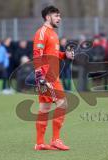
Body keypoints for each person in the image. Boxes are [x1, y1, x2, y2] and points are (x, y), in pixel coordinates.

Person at [33, 6, 74, 151]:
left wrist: (65, 55)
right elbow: (37, 54)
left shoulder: (53, 34)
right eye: (56, 15)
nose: (59, 18)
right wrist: (40, 76)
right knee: (63, 105)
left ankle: (39, 143)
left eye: (59, 16)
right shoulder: (42, 32)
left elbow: (53, 54)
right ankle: (56, 140)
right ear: (47, 17)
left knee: (44, 108)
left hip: (50, 76)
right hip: (47, 77)